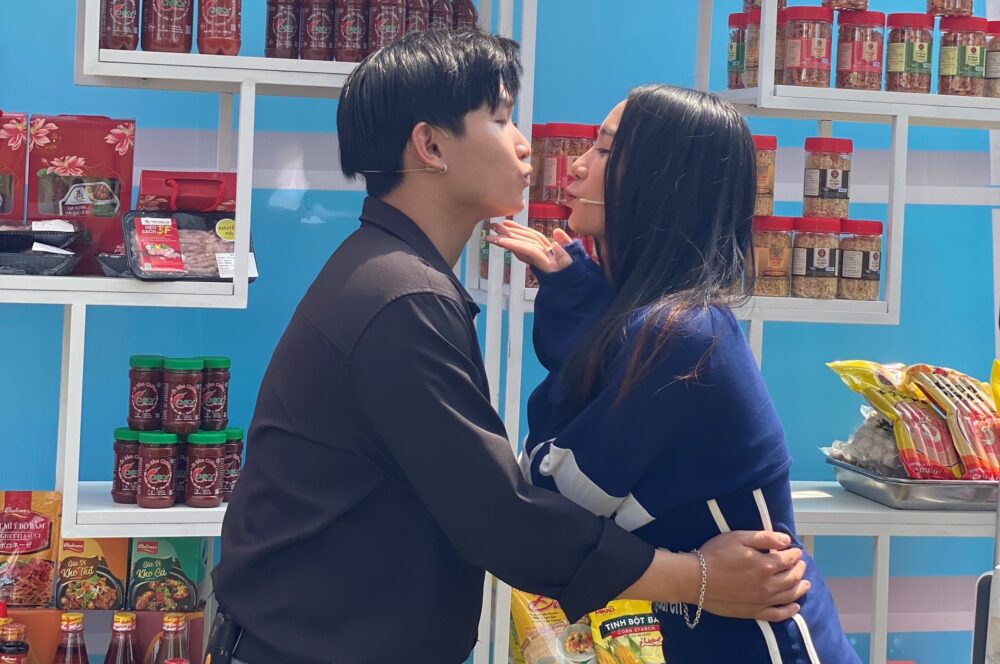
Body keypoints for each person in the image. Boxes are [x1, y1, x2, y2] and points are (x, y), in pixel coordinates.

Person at [210, 34, 809, 664]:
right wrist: (699, 579)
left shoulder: (394, 276)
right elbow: (505, 518)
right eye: (499, 119)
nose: (527, 145)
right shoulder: (402, 296)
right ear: (431, 146)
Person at [488, 83, 861, 664]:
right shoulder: (665, 326)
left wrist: (579, 304)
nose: (577, 166)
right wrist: (579, 297)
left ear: (662, 182)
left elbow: (553, 495)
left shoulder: (682, 338)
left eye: (605, 150)